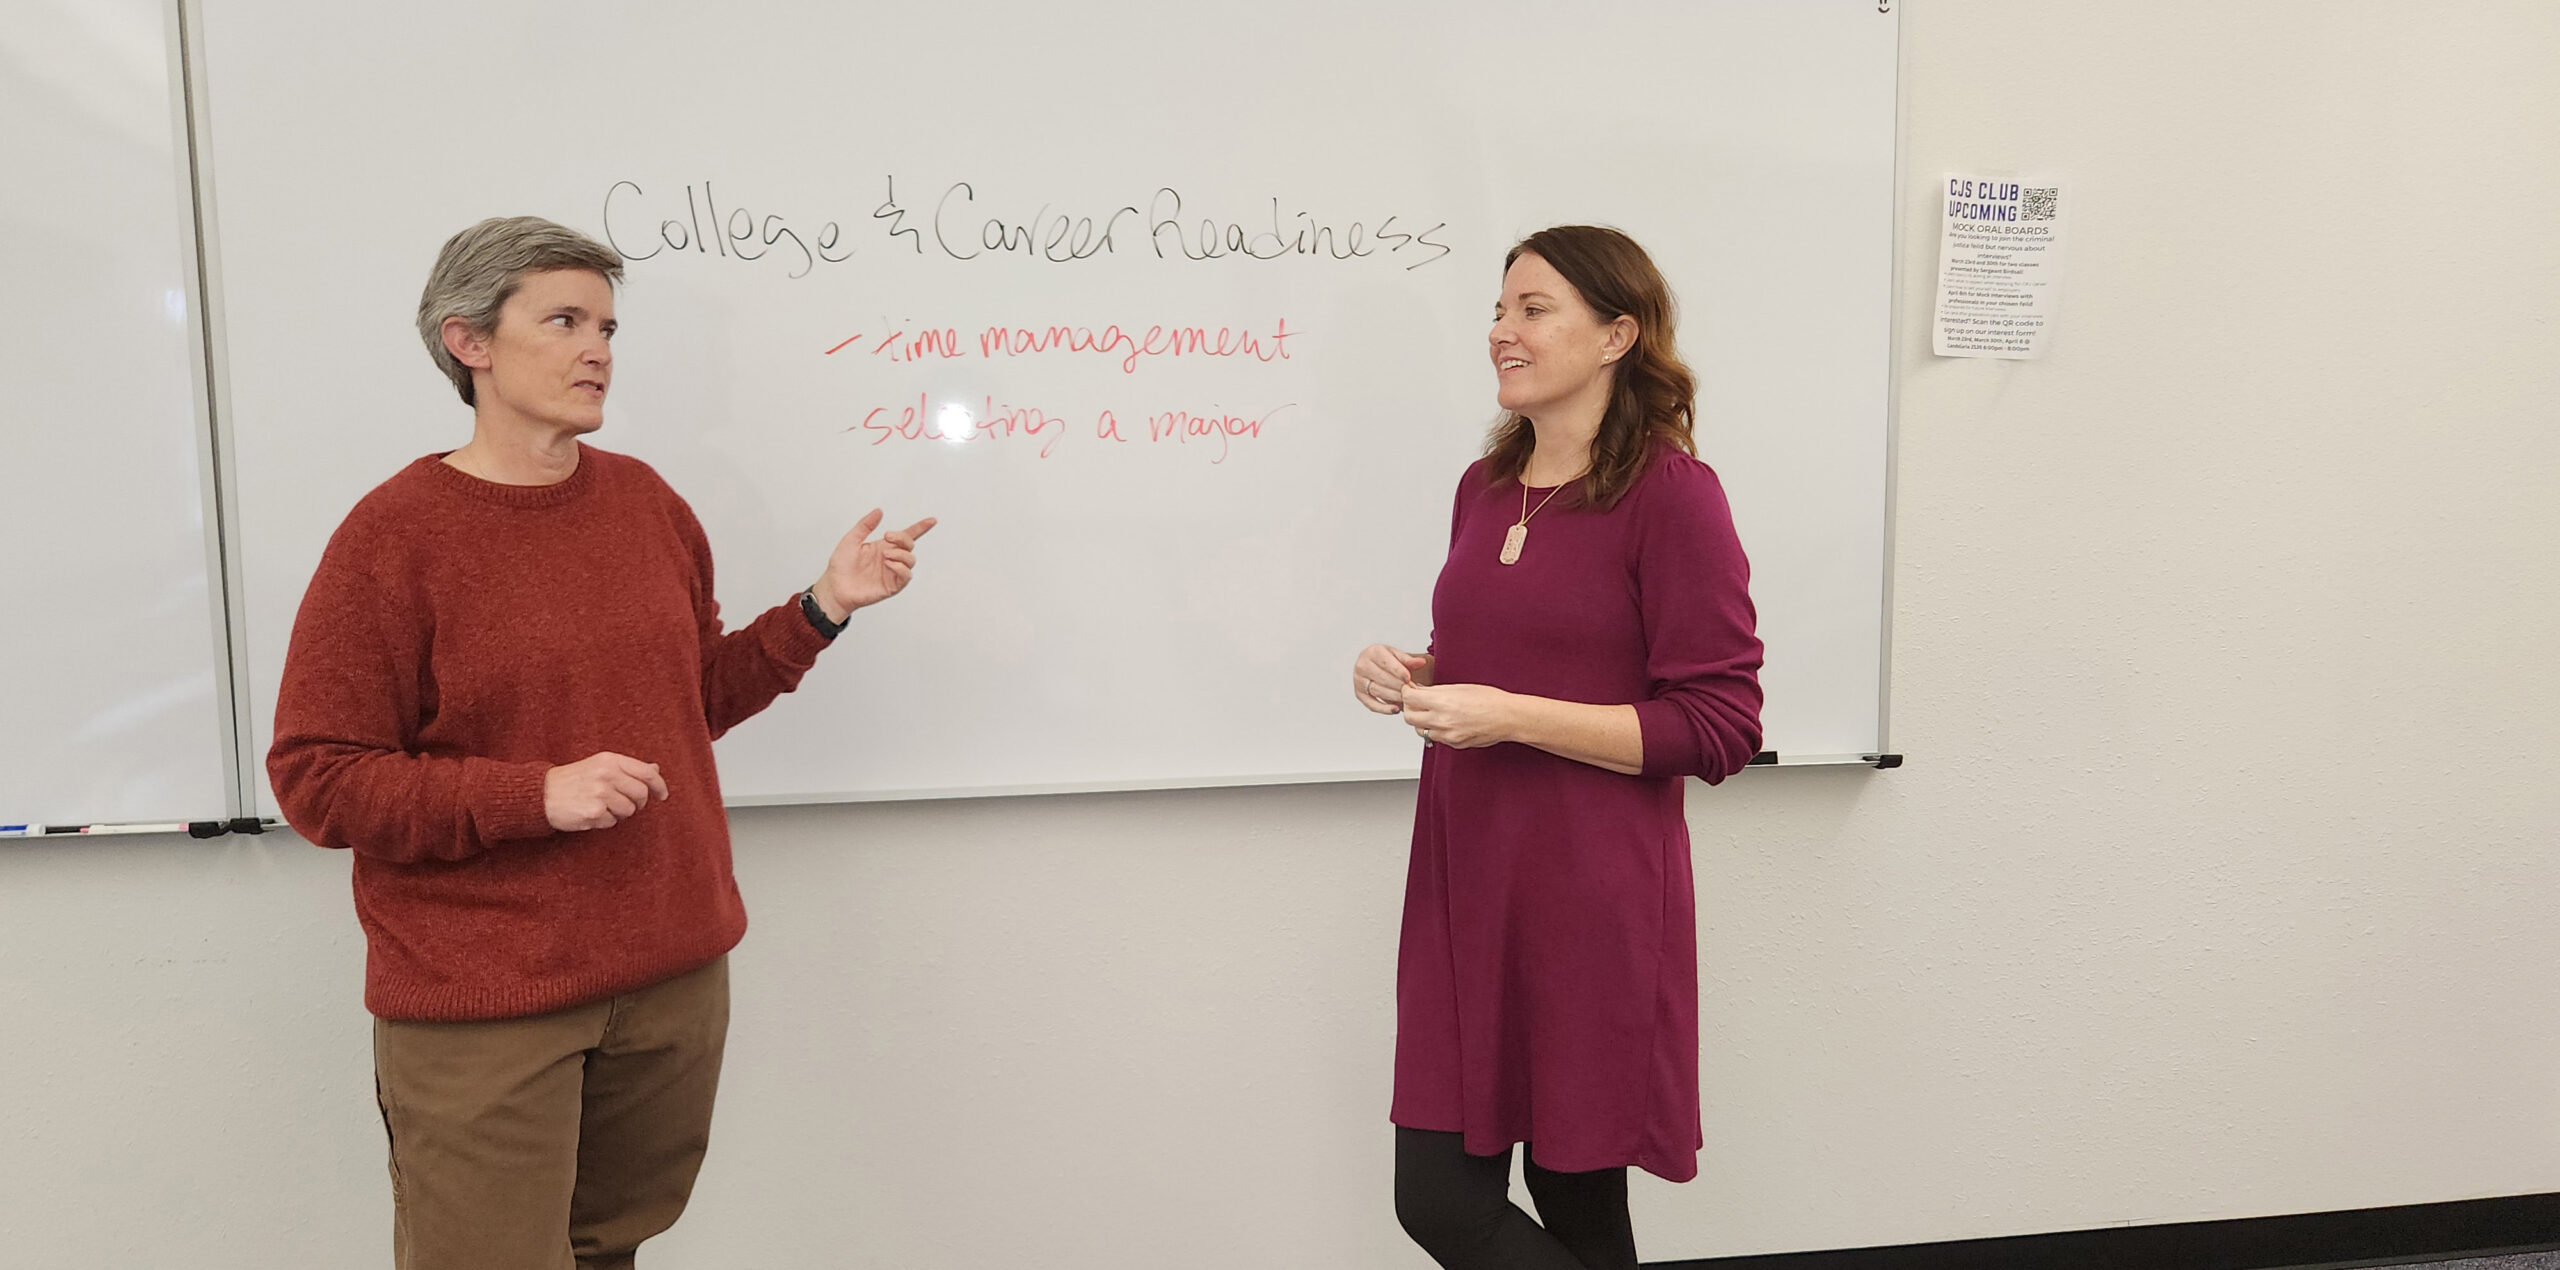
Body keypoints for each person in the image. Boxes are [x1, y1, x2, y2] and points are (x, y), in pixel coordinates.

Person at [266, 215, 934, 1270]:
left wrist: (820, 606)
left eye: (609, 327)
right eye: (565, 321)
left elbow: (690, 700)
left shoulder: (646, 503)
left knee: (609, 1253)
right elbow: (320, 780)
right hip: (489, 1001)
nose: (598, 352)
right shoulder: (392, 537)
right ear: (468, 342)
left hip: (669, 978)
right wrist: (532, 794)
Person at [1352, 225, 1764, 1270]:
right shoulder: (1483, 487)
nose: (1501, 332)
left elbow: (1718, 725)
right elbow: (1508, 652)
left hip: (1589, 894)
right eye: (1499, 310)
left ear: (1618, 333)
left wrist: (1513, 714)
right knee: (1456, 1196)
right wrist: (1420, 673)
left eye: (1533, 309)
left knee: (1564, 1188)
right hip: (1464, 881)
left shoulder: (1672, 496)